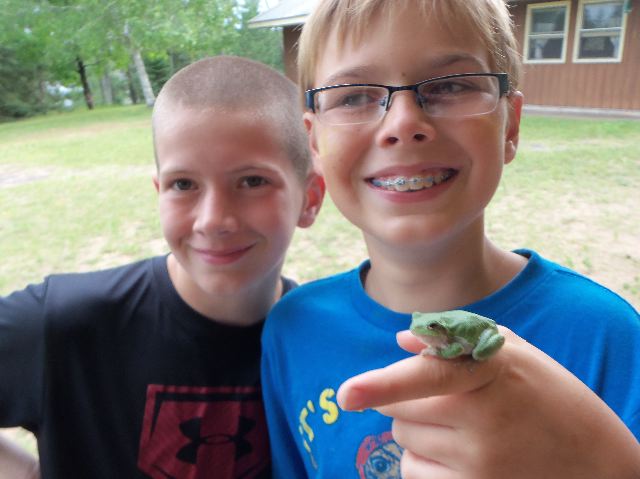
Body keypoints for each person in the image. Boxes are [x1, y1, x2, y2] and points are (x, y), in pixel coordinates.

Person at [260, 1, 640, 477]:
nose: (403, 123)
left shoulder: (608, 336)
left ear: (510, 125)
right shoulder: (292, 330)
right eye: (353, 97)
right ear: (314, 142)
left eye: (450, 86)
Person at [0, 55, 324, 478]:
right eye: (183, 184)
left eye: (252, 181)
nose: (213, 220)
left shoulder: (322, 344)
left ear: (310, 199)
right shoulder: (64, 323)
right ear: (159, 191)